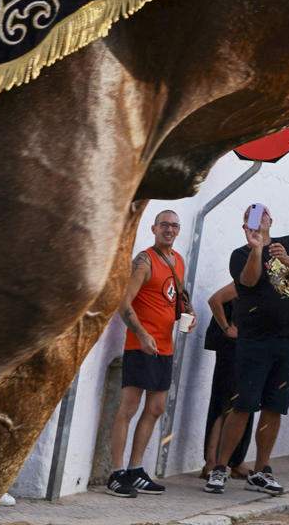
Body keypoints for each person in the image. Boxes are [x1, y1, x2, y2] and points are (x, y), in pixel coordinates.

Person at [206, 204, 289, 495]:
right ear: (244, 225)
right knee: (242, 405)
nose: (258, 221)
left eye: (262, 215)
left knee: (274, 407)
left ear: (271, 219)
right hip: (255, 341)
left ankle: (261, 469)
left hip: (287, 339)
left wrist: (283, 256)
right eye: (251, 218)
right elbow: (249, 280)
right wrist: (256, 249)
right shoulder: (239, 254)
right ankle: (220, 467)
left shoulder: (287, 243)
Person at [105, 210, 193, 498]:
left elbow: (175, 297)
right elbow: (123, 302)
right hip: (140, 346)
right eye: (164, 225)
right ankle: (116, 473)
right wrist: (141, 334)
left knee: (155, 409)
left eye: (174, 226)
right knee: (128, 407)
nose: (169, 230)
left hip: (165, 347)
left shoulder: (177, 260)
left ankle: (135, 468)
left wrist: (188, 315)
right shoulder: (144, 261)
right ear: (154, 228)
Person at [201, 283, 253, 485]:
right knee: (224, 405)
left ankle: (235, 460)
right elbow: (215, 300)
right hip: (232, 350)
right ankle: (212, 462)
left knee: (244, 406)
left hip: (250, 350)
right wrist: (227, 327)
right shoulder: (242, 282)